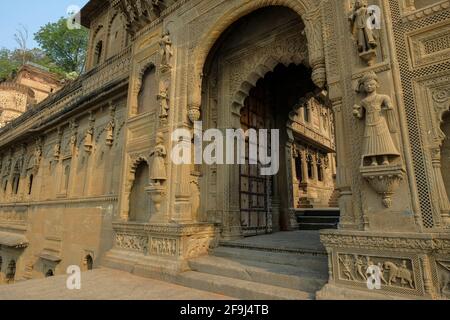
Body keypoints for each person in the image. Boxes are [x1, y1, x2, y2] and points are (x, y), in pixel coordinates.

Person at [353, 72, 400, 166]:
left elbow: (389, 104)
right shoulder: (363, 101)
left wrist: (389, 106)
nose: (369, 87)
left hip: (380, 121)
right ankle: (373, 160)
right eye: (367, 85)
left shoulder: (382, 97)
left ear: (377, 85)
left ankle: (385, 159)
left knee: (382, 140)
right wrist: (356, 114)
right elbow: (361, 115)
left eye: (371, 84)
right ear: (364, 87)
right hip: (369, 123)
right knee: (370, 142)